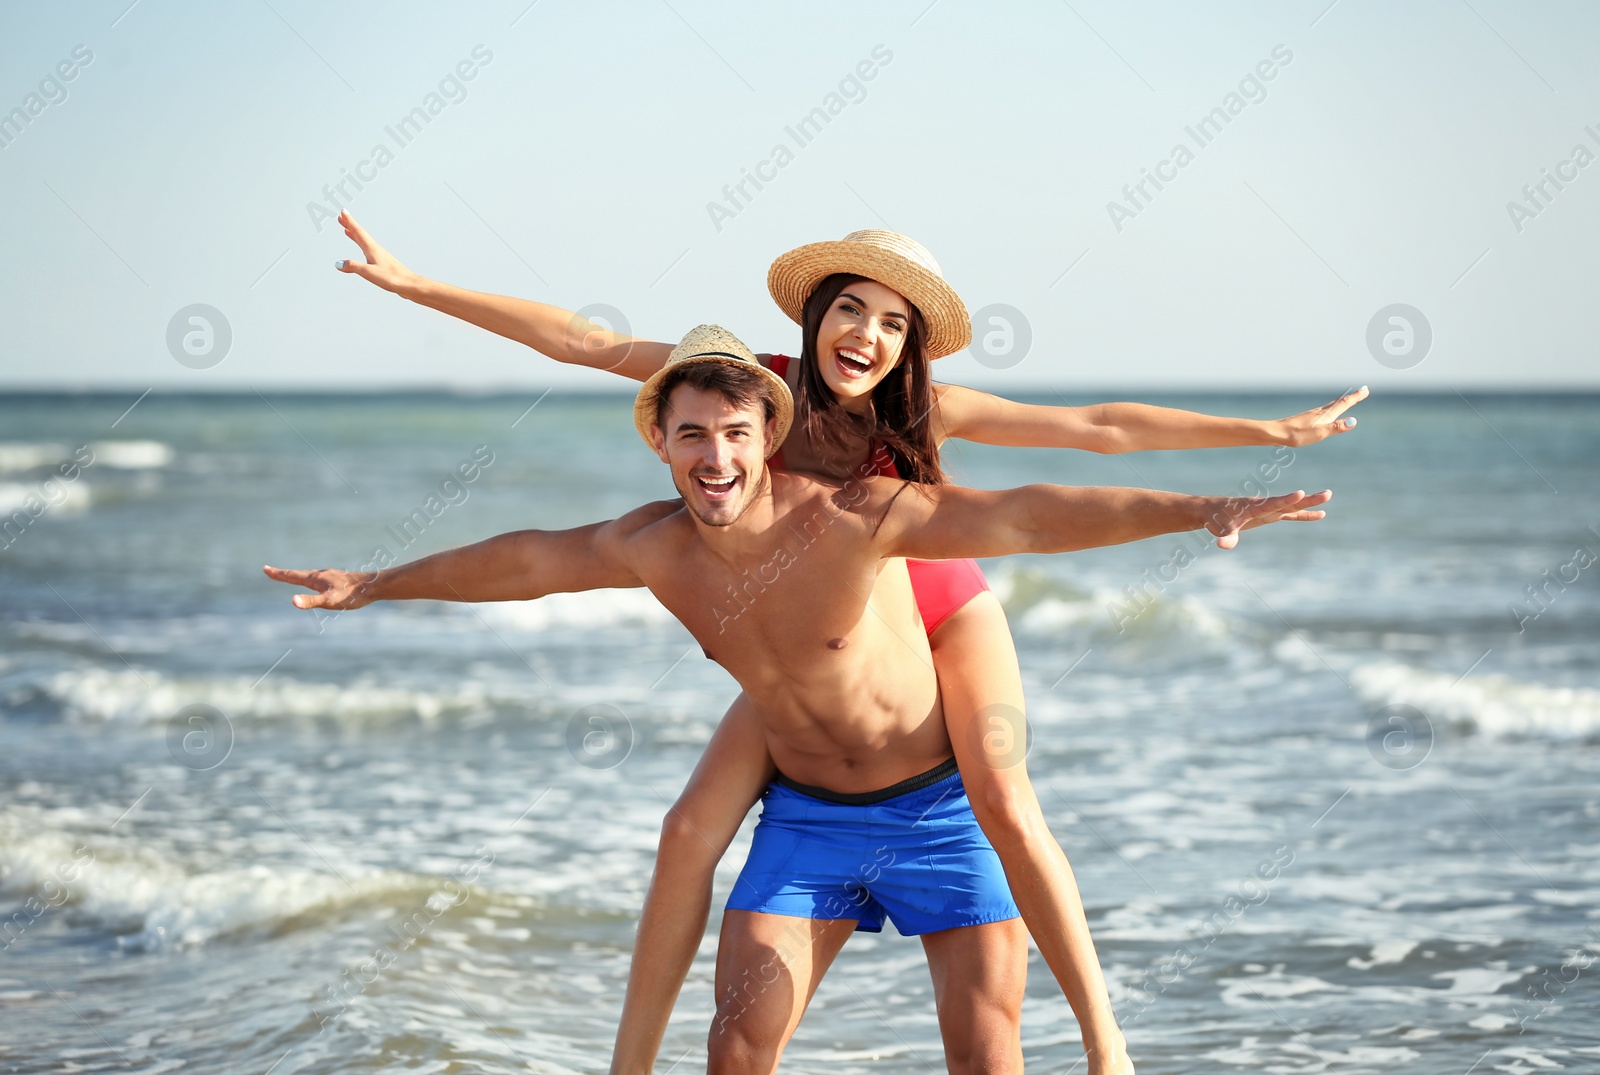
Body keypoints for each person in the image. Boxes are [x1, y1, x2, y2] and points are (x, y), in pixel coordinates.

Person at [331, 214, 1366, 1075]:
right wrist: (416, 284)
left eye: (889, 322)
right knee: (690, 824)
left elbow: (1091, 434)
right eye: (848, 309)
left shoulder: (927, 411)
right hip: (811, 628)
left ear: (908, 343)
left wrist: (1261, 442)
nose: (864, 334)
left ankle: (1107, 1042)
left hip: (936, 599)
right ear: (814, 317)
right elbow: (582, 345)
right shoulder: (745, 390)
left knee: (1000, 797)